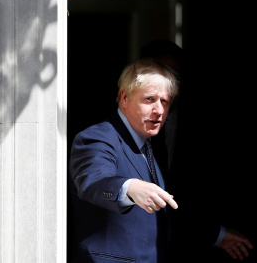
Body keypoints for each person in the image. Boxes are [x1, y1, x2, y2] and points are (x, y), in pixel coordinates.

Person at [139, 39, 254, 261]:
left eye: (173, 75)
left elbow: (202, 192)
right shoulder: (121, 128)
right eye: (158, 74)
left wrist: (213, 233)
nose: (166, 83)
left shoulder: (203, 126)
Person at [68, 58, 180, 262]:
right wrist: (128, 188)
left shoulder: (153, 144)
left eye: (164, 101)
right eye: (149, 99)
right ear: (125, 97)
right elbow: (93, 181)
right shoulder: (98, 137)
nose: (159, 110)